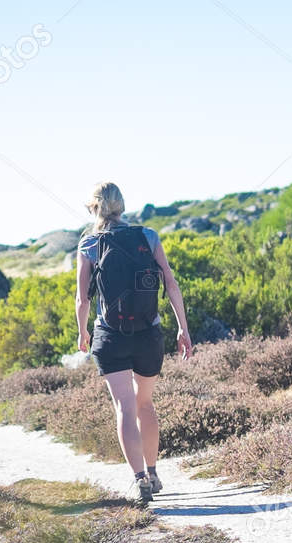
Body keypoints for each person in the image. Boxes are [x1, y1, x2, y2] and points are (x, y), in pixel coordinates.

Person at [75, 182, 193, 504]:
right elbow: (170, 282)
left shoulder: (89, 244)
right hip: (148, 335)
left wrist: (83, 332)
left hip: (110, 336)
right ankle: (153, 472)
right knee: (145, 404)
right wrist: (183, 328)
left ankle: (139, 478)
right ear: (121, 205)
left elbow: (82, 298)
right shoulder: (148, 236)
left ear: (94, 208)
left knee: (124, 407)